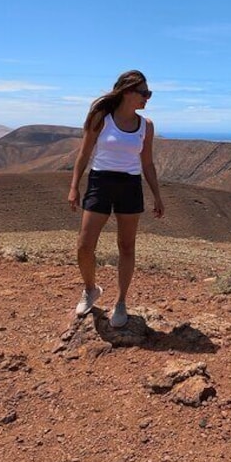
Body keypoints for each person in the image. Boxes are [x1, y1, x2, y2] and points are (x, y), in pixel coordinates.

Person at [68, 70, 165, 328]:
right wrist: (74, 186)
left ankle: (121, 302)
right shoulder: (101, 118)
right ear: (127, 92)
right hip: (100, 182)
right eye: (143, 93)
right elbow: (84, 153)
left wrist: (157, 195)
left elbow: (148, 163)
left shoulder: (147, 126)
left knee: (126, 246)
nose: (147, 98)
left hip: (130, 185)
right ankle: (91, 289)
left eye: (149, 93)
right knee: (85, 245)